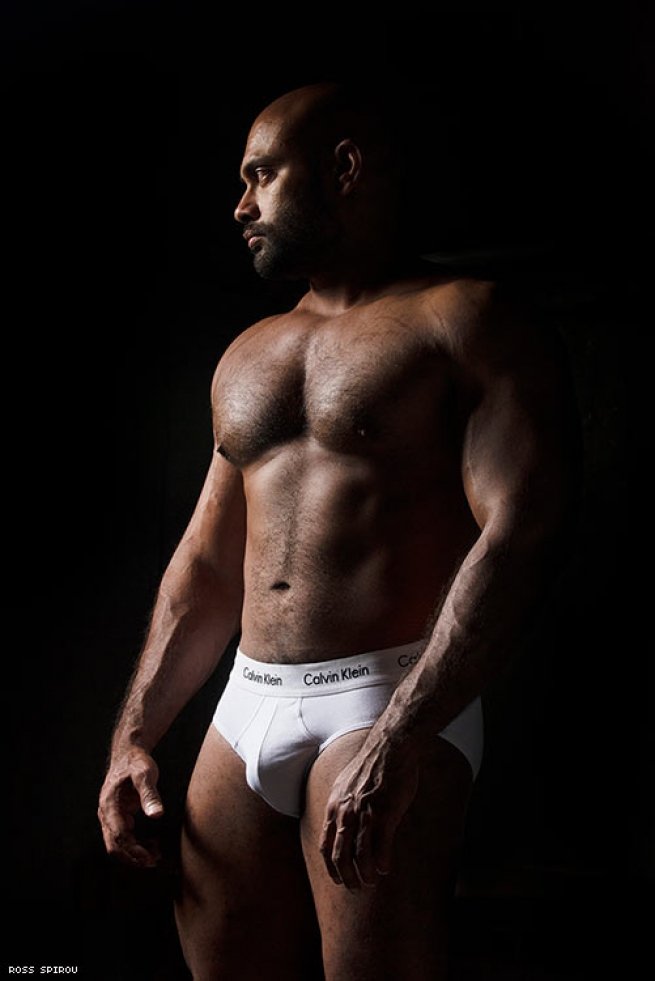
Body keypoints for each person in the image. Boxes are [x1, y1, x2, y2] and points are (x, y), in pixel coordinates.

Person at [98, 82, 579, 980]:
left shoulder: (465, 318)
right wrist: (133, 737)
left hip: (386, 694)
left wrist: (403, 732)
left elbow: (522, 533)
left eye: (262, 176)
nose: (240, 206)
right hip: (245, 704)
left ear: (344, 169)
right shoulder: (248, 352)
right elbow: (206, 563)